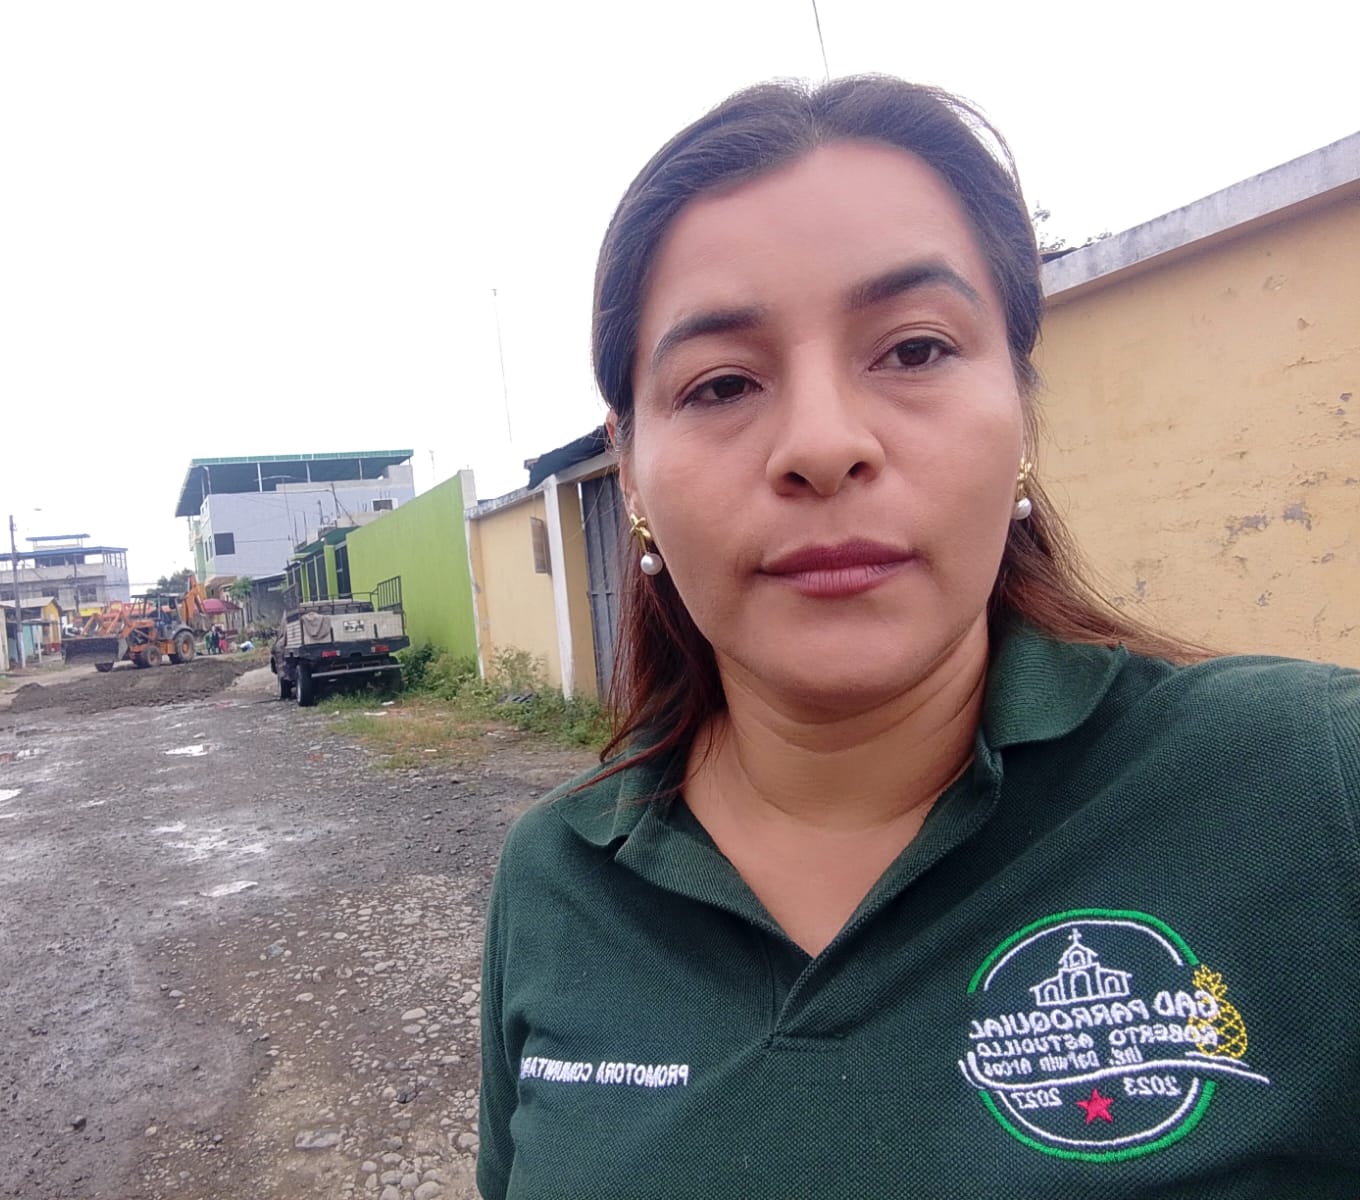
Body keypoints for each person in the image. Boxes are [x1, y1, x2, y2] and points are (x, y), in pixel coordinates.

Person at [476, 75, 1360, 1199]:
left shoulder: (1313, 787)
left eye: (914, 351)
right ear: (633, 469)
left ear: (1022, 410)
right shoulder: (555, 879)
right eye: (722, 383)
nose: (821, 445)